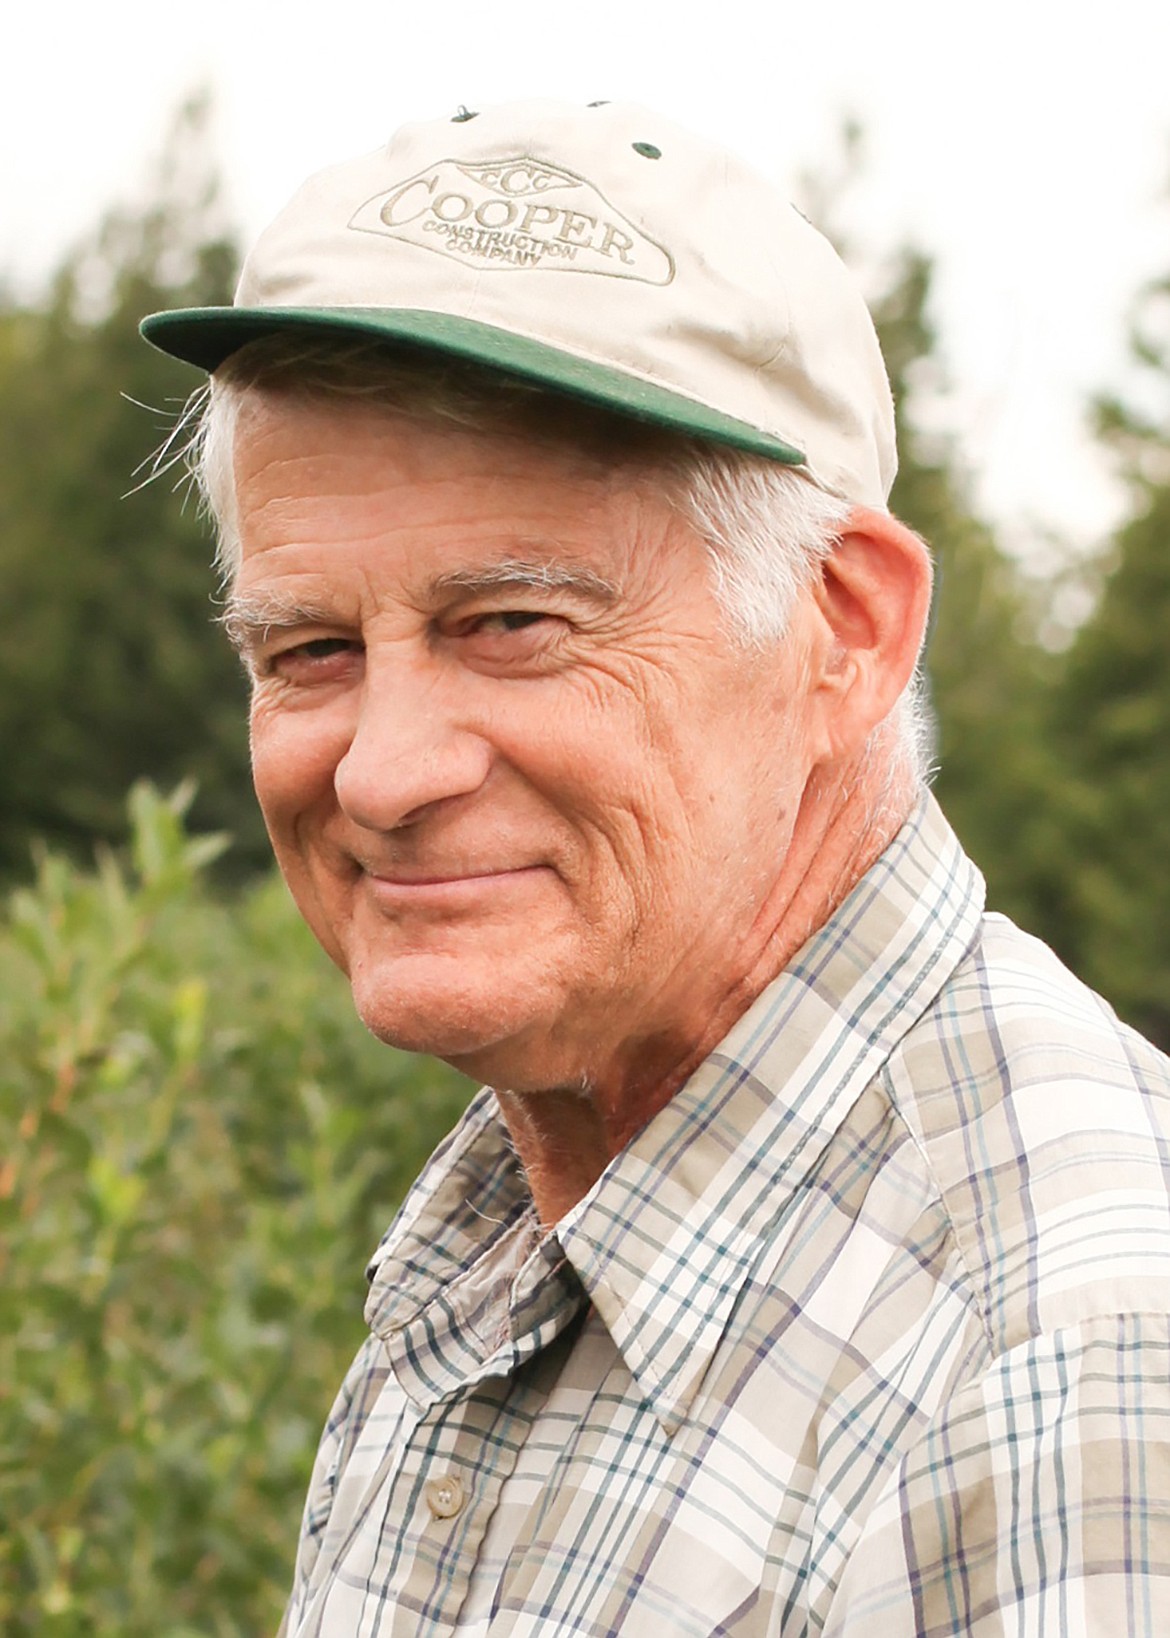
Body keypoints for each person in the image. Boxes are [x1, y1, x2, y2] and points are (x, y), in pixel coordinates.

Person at [142, 100, 1170, 1636]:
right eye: (310, 650)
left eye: (512, 625)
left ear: (845, 629)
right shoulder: (548, 1189)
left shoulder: (1059, 1366)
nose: (381, 773)